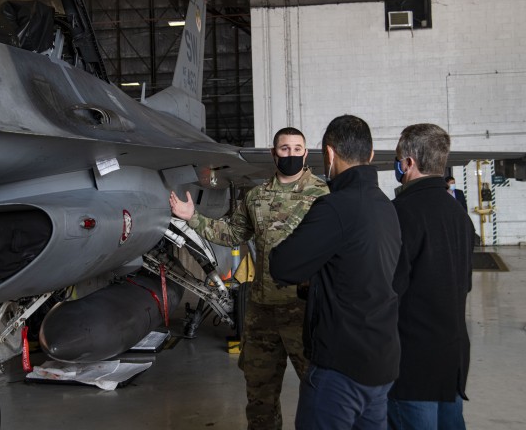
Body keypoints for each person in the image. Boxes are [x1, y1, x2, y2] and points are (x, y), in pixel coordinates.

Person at [169, 127, 329, 430]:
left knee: (320, 391)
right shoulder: (256, 197)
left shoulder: (321, 196)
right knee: (259, 394)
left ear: (306, 154)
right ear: (274, 153)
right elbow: (232, 233)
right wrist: (193, 217)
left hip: (305, 312)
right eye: (285, 149)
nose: (291, 154)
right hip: (263, 312)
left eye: (297, 149)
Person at [269, 114, 402, 430]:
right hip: (381, 362)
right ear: (369, 155)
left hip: (342, 367)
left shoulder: (336, 207)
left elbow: (283, 265)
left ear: (328, 153)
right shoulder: (386, 206)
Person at [389, 124, 475, 429]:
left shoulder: (399, 213)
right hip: (451, 355)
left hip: (412, 362)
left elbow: (390, 291)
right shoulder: (460, 217)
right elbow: (464, 284)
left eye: (398, 159)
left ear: (409, 163)